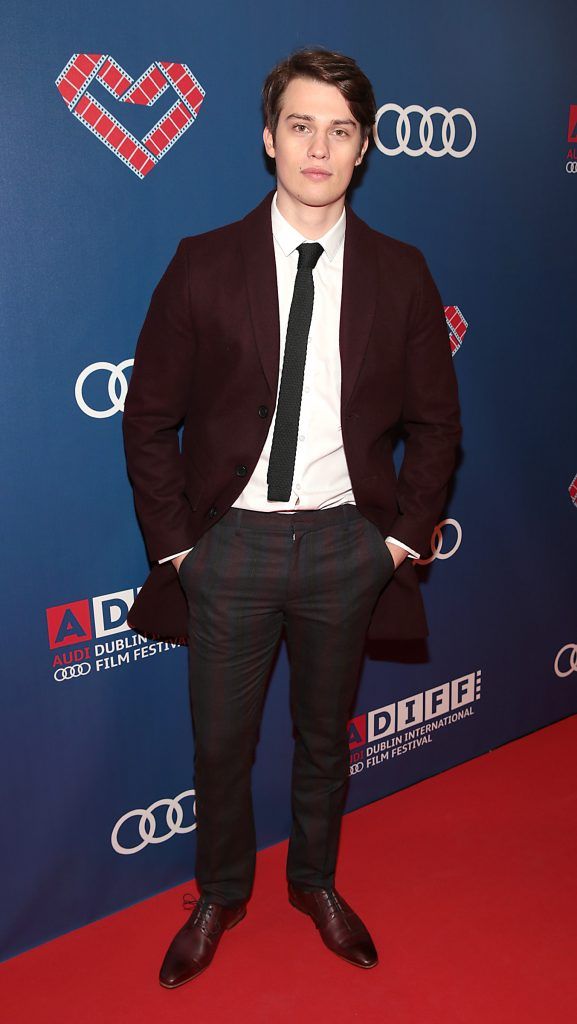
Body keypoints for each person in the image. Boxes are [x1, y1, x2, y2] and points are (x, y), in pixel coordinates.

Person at [122, 47, 461, 988]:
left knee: (325, 736)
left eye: (341, 129)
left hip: (347, 549)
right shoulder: (203, 264)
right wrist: (181, 549)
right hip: (228, 548)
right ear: (270, 139)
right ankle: (221, 891)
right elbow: (148, 418)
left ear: (364, 150)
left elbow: (437, 424)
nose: (320, 146)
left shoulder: (400, 272)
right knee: (220, 744)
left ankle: (313, 880)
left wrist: (395, 544)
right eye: (301, 125)